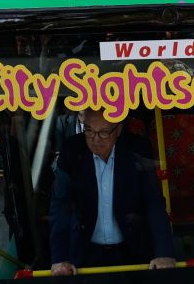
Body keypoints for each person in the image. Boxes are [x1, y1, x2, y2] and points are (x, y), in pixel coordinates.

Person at [47, 110, 176, 273]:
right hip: (85, 251)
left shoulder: (138, 149)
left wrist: (164, 253)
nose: (95, 139)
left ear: (119, 130)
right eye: (89, 130)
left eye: (103, 132)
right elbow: (60, 205)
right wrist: (59, 258)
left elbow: (154, 203)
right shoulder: (72, 150)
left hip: (132, 248)